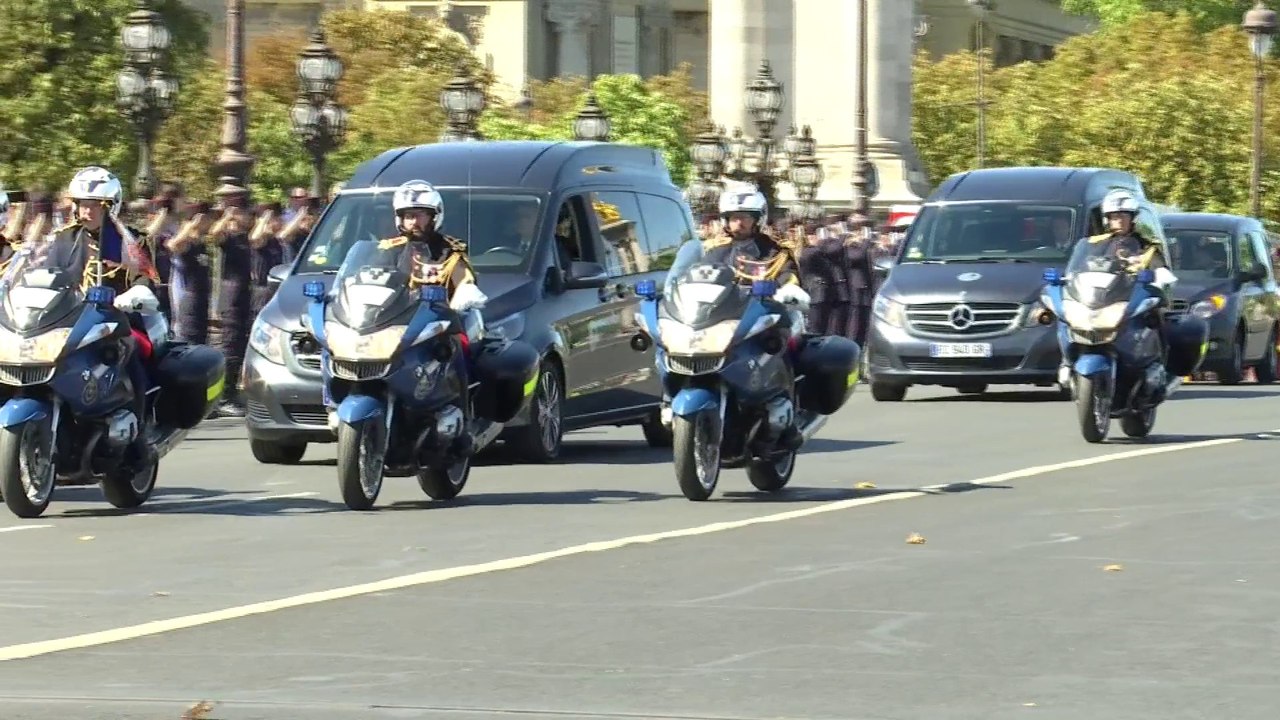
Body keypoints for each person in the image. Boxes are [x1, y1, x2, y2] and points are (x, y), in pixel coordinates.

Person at [48, 166, 163, 472]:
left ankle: (138, 440)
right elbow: (40, 274)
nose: (85, 211)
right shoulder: (62, 240)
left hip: (115, 322)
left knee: (128, 357)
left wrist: (134, 294)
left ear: (111, 206)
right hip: (65, 321)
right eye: (81, 204)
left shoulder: (130, 241)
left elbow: (144, 277)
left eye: (93, 205)